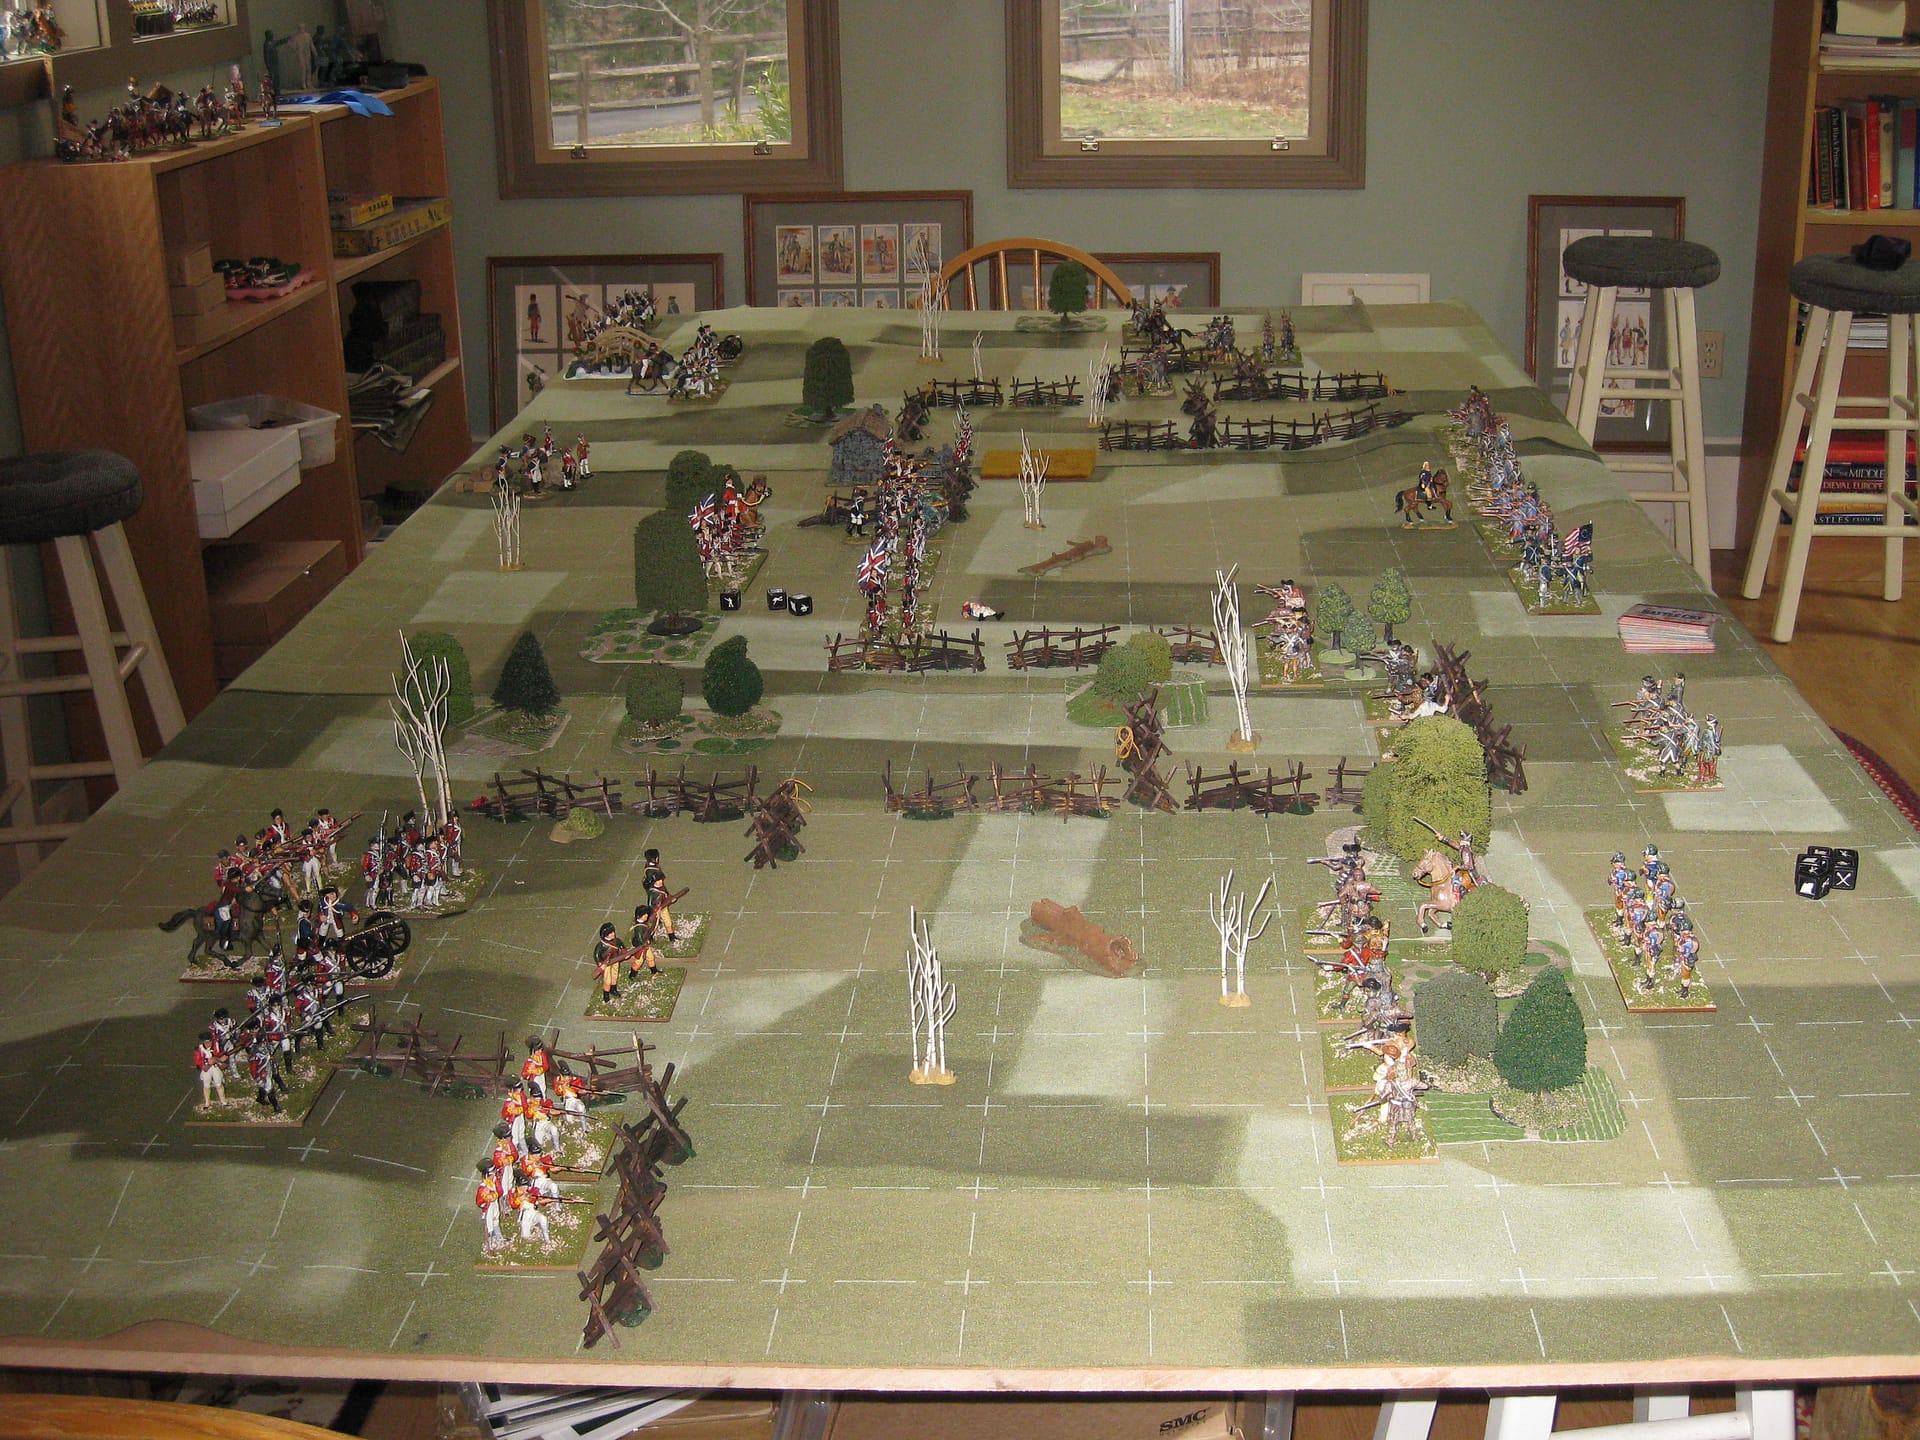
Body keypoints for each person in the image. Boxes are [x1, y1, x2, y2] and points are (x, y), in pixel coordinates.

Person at [475, 1162, 505, 1250]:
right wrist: (486, 1199)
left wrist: (495, 1193)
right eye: (492, 1174)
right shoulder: (483, 1188)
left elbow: (500, 1191)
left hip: (494, 1205)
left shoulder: (493, 1182)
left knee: (496, 1220)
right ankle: (489, 1245)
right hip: (488, 1208)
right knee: (489, 1226)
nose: (494, 1175)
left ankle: (499, 1238)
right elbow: (479, 1202)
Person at [193, 1032, 226, 1107]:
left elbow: (220, 1054)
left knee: (218, 1083)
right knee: (206, 1085)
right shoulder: (199, 1049)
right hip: (206, 1068)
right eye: (206, 1042)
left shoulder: (216, 1046)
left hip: (215, 1066)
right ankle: (207, 1102)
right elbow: (197, 1061)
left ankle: (223, 1101)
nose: (208, 1044)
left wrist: (216, 1059)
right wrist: (206, 1062)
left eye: (210, 1042)